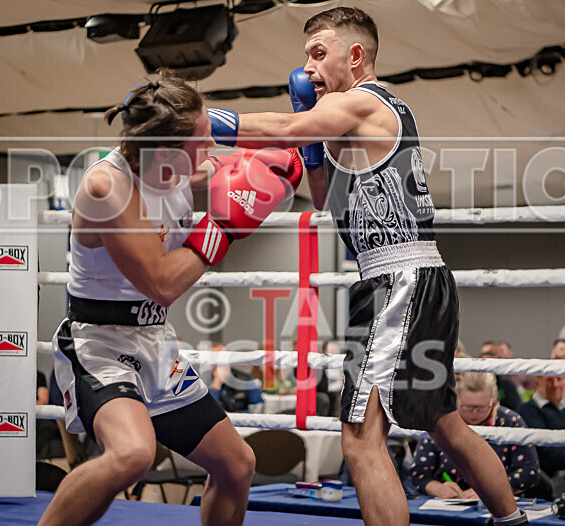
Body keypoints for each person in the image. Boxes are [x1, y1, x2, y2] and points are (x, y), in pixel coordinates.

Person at [206, 8, 527, 525]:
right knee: (442, 420)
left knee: (359, 438)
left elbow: (286, 125)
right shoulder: (354, 119)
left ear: (355, 56)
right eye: (305, 56)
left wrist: (201, 120)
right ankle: (511, 520)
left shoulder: (365, 102)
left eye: (318, 53)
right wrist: (313, 152)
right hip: (415, 278)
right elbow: (330, 204)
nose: (307, 68)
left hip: (397, 281)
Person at [39, 72, 303, 526]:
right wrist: (223, 226)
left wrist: (286, 158)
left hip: (156, 344)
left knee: (236, 464)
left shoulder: (180, 164)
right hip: (100, 346)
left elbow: (234, 159)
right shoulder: (109, 189)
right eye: (201, 140)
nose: (211, 147)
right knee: (133, 454)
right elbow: (160, 283)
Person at [410, 373, 539, 498]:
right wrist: (437, 488)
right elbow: (419, 472)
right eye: (467, 407)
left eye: (481, 407)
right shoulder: (441, 421)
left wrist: (492, 491)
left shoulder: (511, 422)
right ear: (456, 400)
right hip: (447, 502)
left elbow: (529, 472)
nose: (474, 413)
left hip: (498, 501)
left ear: (493, 402)